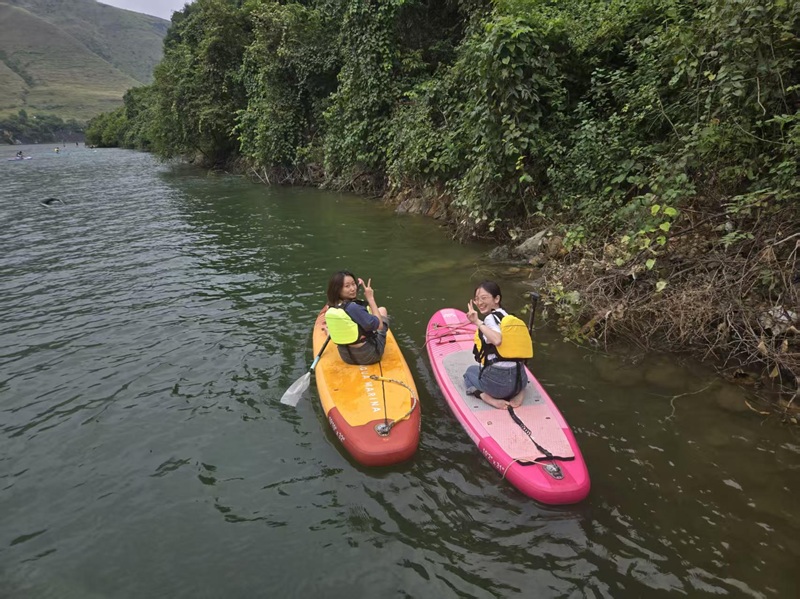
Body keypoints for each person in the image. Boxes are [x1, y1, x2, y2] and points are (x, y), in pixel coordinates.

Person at [464, 281, 530, 409]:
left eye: (484, 298)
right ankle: (520, 392)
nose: (479, 302)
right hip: (519, 380)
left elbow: (497, 339)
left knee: (469, 373)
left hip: (498, 387)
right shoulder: (509, 317)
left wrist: (477, 321)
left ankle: (488, 398)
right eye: (477, 299)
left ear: (497, 298)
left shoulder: (489, 319)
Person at [324, 270, 390, 365]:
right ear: (337, 289)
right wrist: (370, 298)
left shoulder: (331, 306)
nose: (353, 289)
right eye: (347, 286)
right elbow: (379, 326)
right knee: (382, 310)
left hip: (346, 356)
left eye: (353, 284)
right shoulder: (353, 307)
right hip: (370, 356)